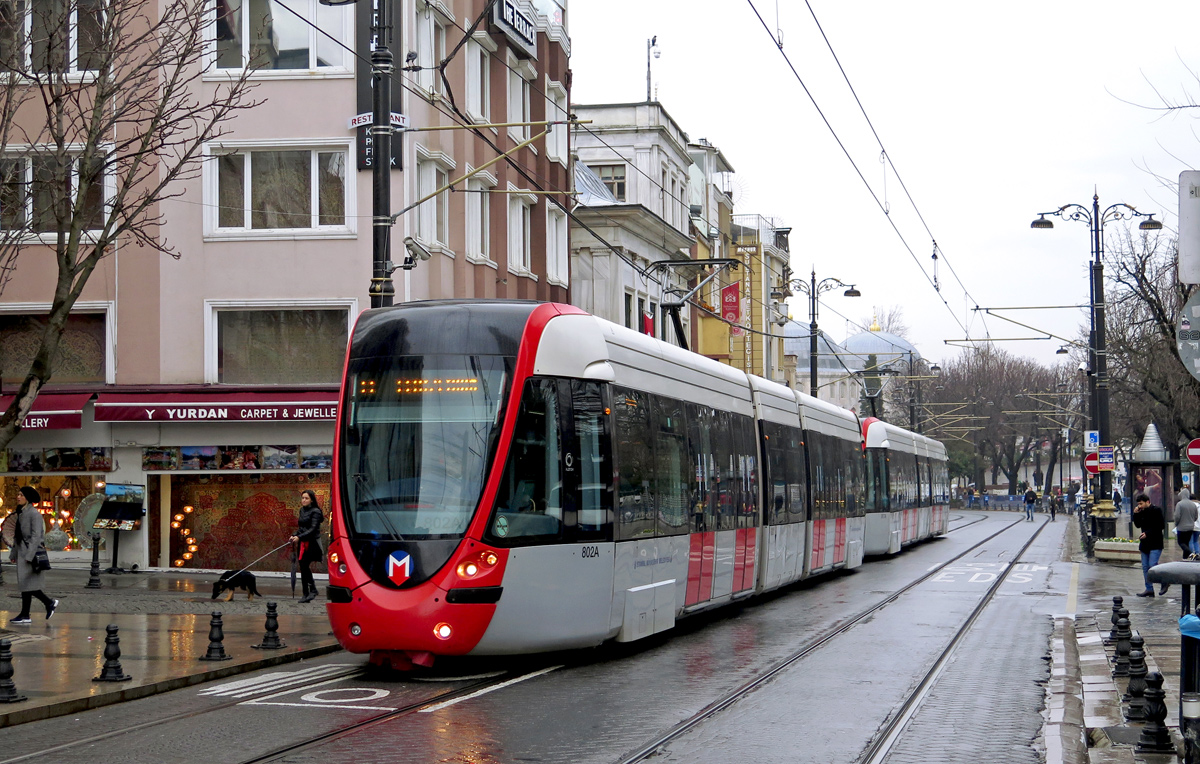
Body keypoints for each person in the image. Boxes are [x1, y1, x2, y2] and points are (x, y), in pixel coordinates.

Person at [8, 486, 57, 624]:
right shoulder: (21, 513)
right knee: (26, 584)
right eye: (18, 494)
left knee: (28, 584)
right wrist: (14, 553)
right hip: (22, 552)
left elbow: (36, 536)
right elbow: (17, 536)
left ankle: (49, 602)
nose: (18, 497)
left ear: (28, 498)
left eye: (21, 495)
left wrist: (29, 555)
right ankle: (25, 614)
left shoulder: (34, 514)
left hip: (30, 554)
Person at [289, 489, 324, 603]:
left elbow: (313, 529)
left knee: (304, 566)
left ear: (312, 500)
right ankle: (308, 592)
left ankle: (311, 591)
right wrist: (294, 535)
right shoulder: (302, 510)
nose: (303, 500)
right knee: (303, 567)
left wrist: (299, 537)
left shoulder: (316, 512)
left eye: (306, 498)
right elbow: (302, 528)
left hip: (312, 543)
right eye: (302, 498)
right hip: (303, 541)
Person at [1133, 493, 1167, 597]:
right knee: (1145, 567)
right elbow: (1138, 525)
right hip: (1145, 544)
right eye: (1138, 504)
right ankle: (1149, 589)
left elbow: (1160, 526)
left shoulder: (1156, 510)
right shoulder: (1141, 512)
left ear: (1148, 502)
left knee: (1153, 565)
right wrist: (1136, 514)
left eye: (1141, 503)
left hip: (1155, 542)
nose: (1140, 506)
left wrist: (1147, 533)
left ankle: (1164, 581)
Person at [1176, 488, 1199, 560]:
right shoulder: (1193, 504)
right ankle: (1185, 558)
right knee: (1187, 543)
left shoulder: (1179, 504)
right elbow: (1196, 516)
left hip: (1181, 527)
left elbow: (1177, 516)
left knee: (1181, 542)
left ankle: (1191, 554)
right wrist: (1192, 521)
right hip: (1191, 527)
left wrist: (1177, 524)